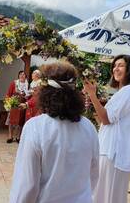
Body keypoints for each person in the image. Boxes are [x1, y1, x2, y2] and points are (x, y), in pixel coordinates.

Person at [9, 61, 99, 203]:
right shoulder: (89, 127)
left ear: (45, 92)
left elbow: (27, 184)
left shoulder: (35, 127)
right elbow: (94, 174)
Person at [83, 54, 130, 203]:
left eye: (121, 65)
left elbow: (107, 119)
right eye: (114, 65)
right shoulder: (122, 92)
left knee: (106, 196)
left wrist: (92, 95)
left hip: (114, 153)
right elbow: (107, 120)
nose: (116, 68)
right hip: (109, 151)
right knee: (102, 195)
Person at [5, 70, 28, 143]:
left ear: (26, 76)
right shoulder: (14, 83)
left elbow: (29, 96)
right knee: (11, 121)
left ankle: (18, 137)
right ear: (18, 76)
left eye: (23, 74)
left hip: (22, 105)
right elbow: (8, 94)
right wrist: (7, 104)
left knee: (20, 122)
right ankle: (10, 136)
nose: (22, 75)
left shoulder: (28, 85)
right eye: (20, 74)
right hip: (13, 104)